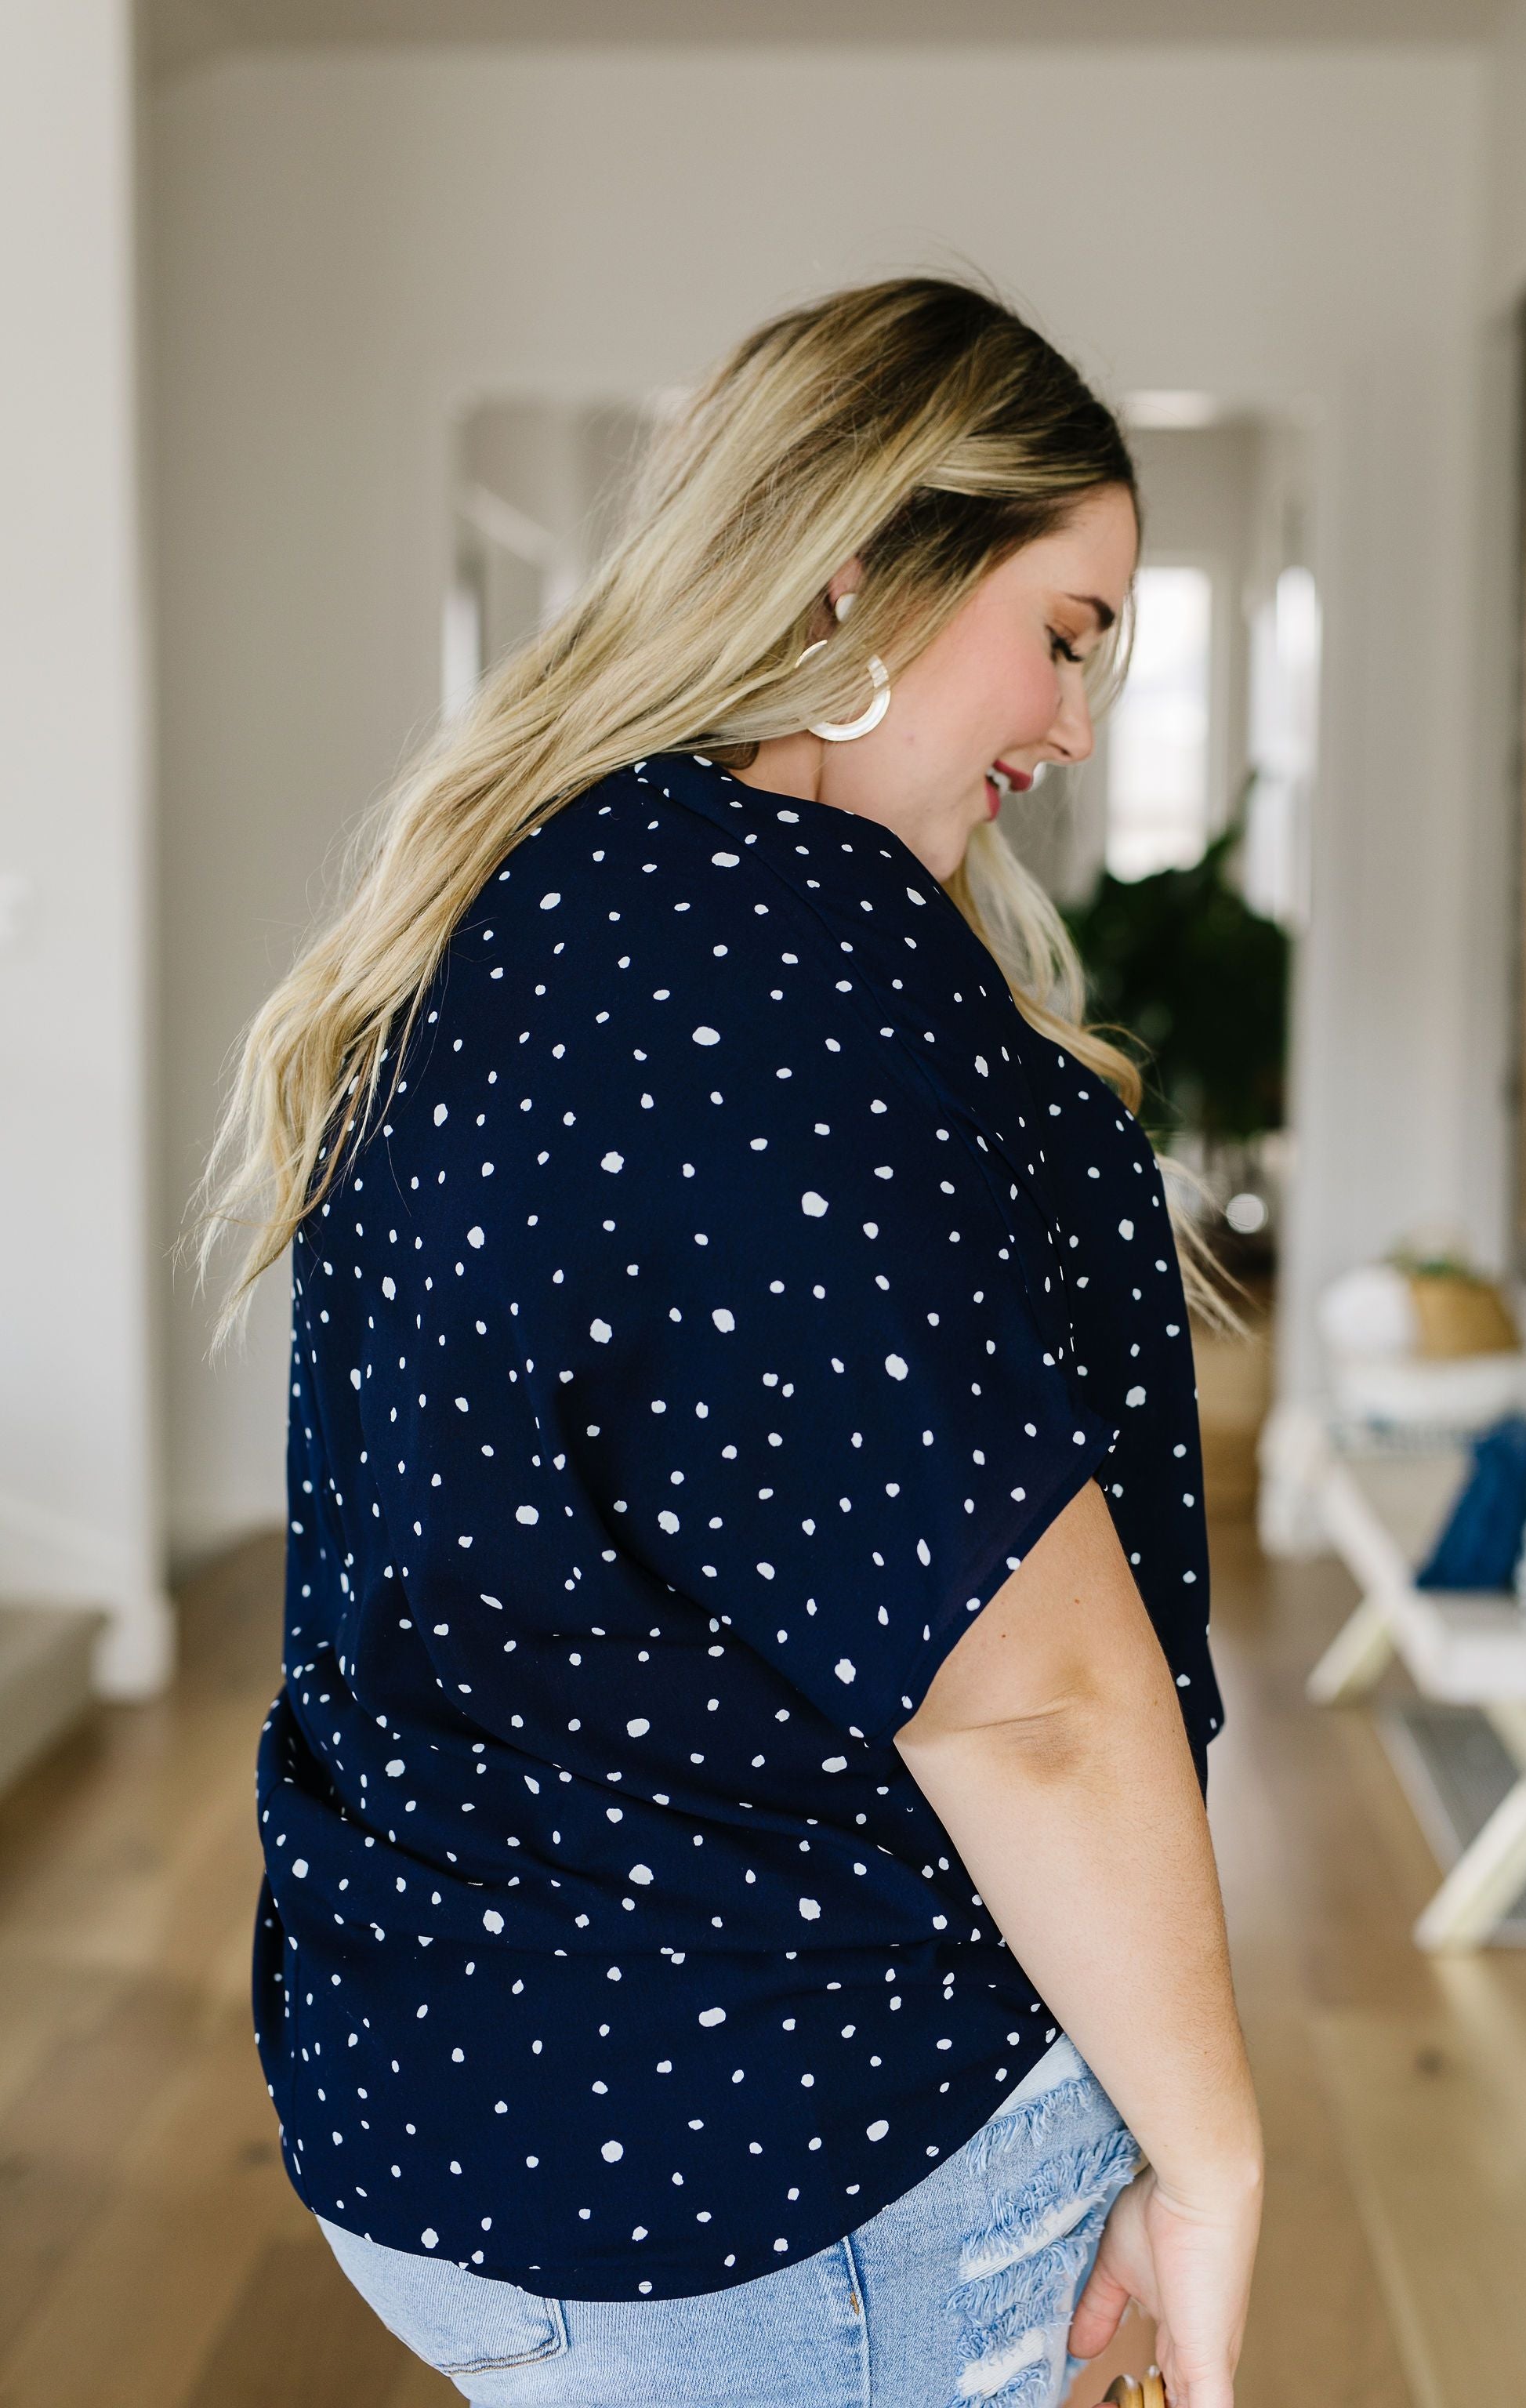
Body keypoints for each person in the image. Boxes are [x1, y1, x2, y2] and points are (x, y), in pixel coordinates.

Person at [198, 273, 1263, 2408]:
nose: (1075, 729)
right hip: (790, 2148)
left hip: (486, 2107)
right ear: (865, 562)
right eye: (1064, 630)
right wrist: (1214, 2146)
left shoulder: (522, 896)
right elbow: (1024, 1700)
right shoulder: (783, 939)